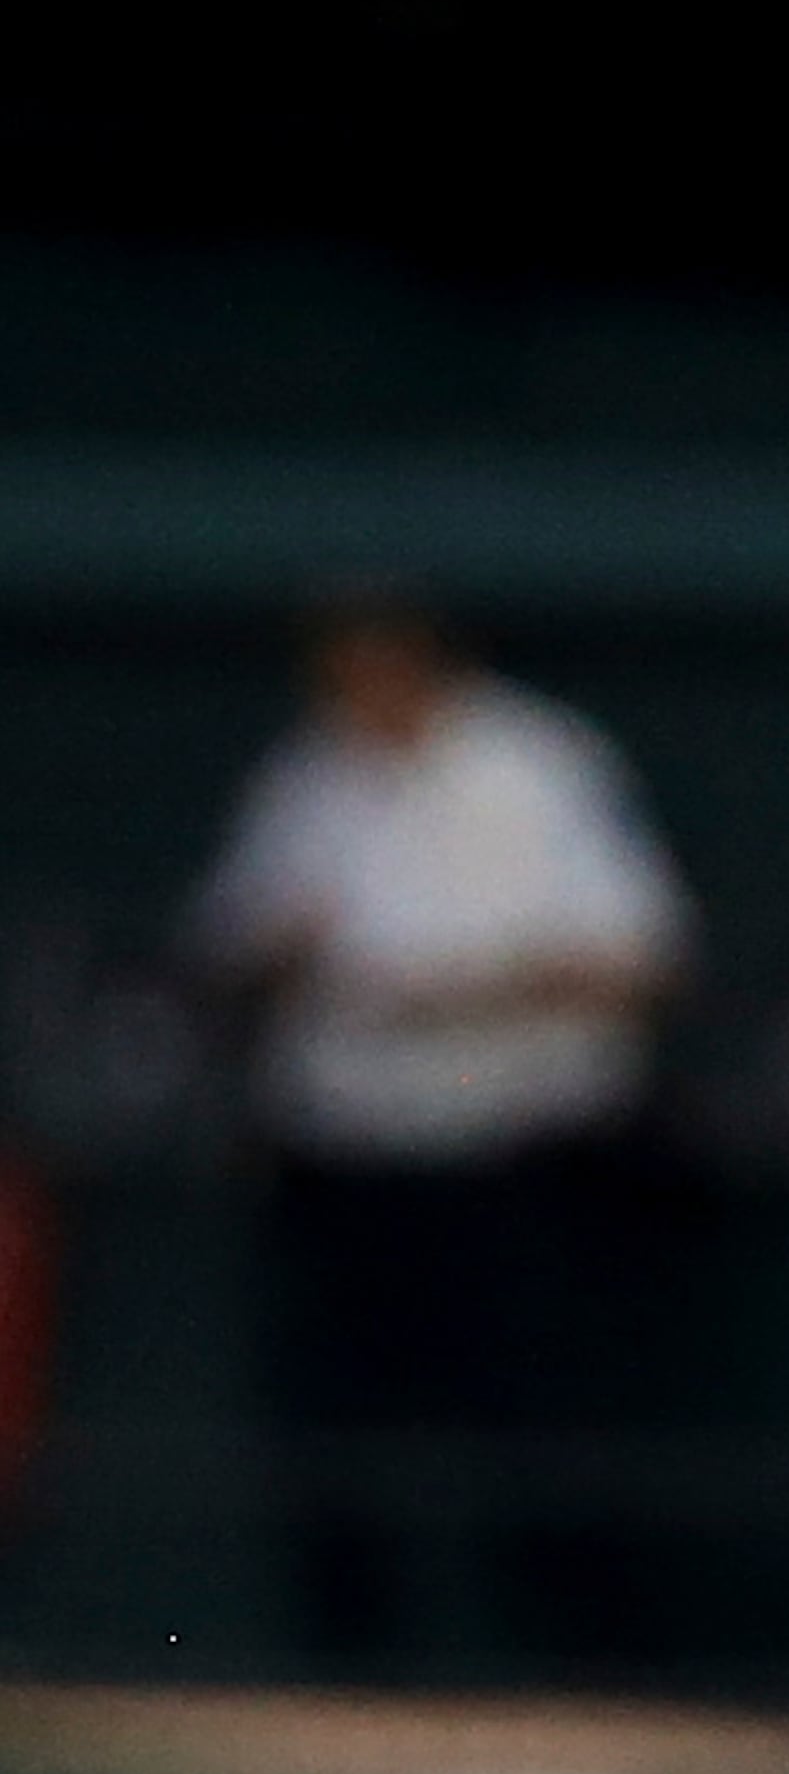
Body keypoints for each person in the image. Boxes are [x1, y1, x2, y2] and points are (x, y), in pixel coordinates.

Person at [189, 604, 690, 1678]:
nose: (348, 687)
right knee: (335, 1441)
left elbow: (641, 960)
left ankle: (585, 1689)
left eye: (367, 661)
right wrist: (280, 953)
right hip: (344, 1166)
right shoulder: (309, 775)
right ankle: (345, 1692)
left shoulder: (534, 762)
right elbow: (225, 947)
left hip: (515, 1162)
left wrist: (458, 995)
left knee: (543, 1437)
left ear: (420, 656)